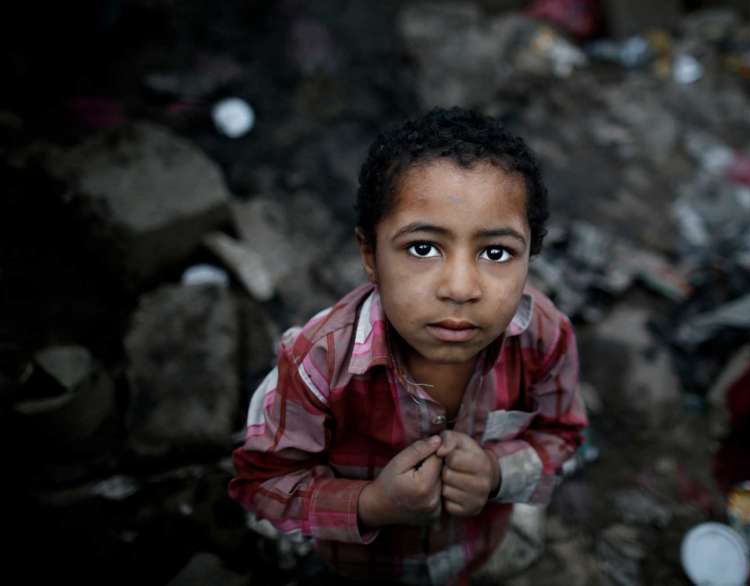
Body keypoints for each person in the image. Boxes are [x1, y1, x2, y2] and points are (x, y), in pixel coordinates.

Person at [229, 107, 586, 585]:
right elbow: (262, 484)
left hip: (472, 551)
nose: (460, 287)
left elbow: (562, 434)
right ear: (370, 255)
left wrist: (497, 474)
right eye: (423, 248)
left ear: (530, 258)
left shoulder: (544, 335)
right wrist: (373, 503)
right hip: (366, 566)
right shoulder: (317, 363)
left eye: (495, 252)